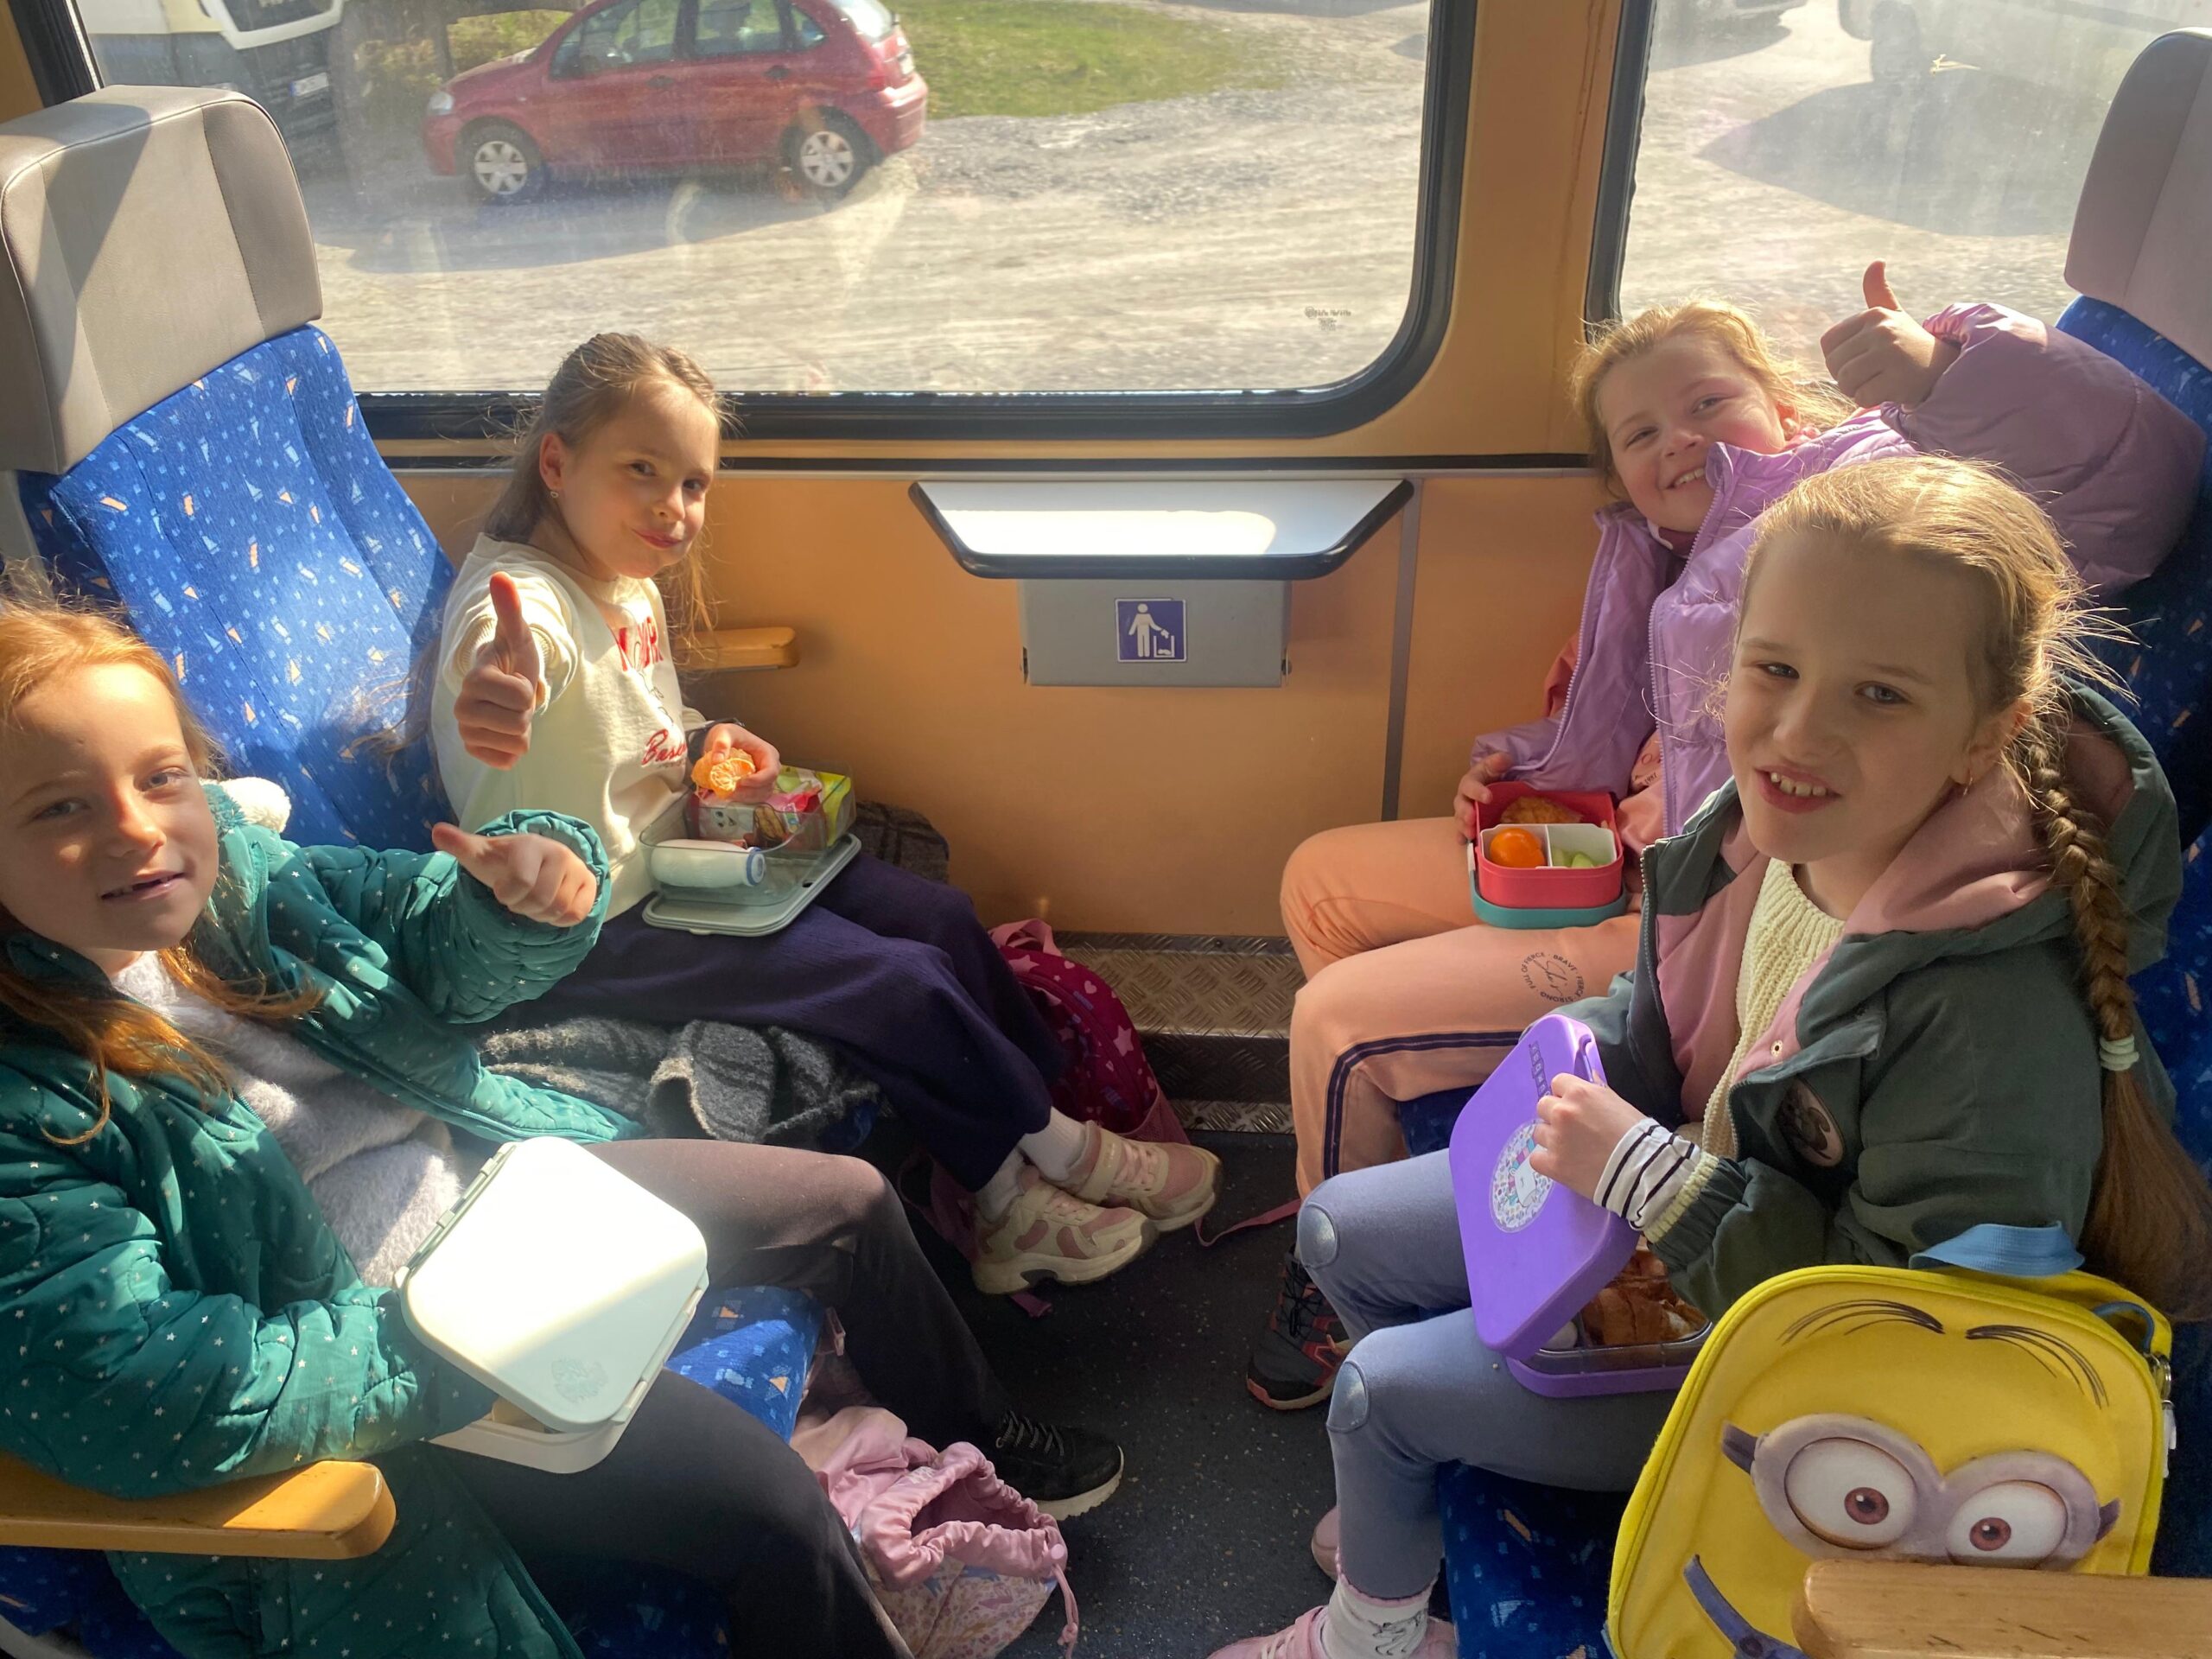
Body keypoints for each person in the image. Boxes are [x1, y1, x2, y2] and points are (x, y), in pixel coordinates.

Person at [1213, 455, 2212, 1659]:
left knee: (1380, 1392)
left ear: (1982, 736)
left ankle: (1372, 1630)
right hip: (1699, 1192)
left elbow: (1900, 1327)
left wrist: (1651, 1181)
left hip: (1804, 1366)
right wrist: (1580, 1069)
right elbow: (1674, 1019)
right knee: (1338, 1232)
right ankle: (1419, 1500)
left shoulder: (1989, 1020)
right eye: (1774, 669)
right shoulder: (1756, 835)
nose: (1798, 732)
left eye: (1879, 694)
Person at [0, 602, 1122, 1659]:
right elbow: (145, 1389)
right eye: (60, 808)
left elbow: (415, 931)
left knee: (848, 1205)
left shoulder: (243, 879)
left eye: (161, 777)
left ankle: (990, 1436)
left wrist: (511, 900)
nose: (138, 828)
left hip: (492, 1192)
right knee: (770, 1507)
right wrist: (445, 1349)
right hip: (395, 1367)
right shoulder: (28, 1094)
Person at [1246, 264, 2207, 1411]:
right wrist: (1527, 770)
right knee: (1319, 883)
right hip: (1663, 866)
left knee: (1339, 1022)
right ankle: (1413, 1255)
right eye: (1641, 432)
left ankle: (1349, 1306)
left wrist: (1947, 369)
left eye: (1708, 403)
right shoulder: (1661, 554)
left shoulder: (1851, 508)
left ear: (1785, 407)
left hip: (1700, 900)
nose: (1680, 440)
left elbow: (2132, 496)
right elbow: (1627, 721)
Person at [429, 333, 1219, 1298]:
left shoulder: (623, 579)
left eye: (694, 484)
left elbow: (636, 728)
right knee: (898, 981)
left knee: (940, 919)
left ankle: (1040, 1116)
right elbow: (508, 663)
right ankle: (1021, 1193)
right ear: (556, 463)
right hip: (591, 927)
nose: (675, 509)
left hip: (682, 872)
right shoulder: (523, 603)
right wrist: (494, 693)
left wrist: (710, 739)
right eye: (642, 471)